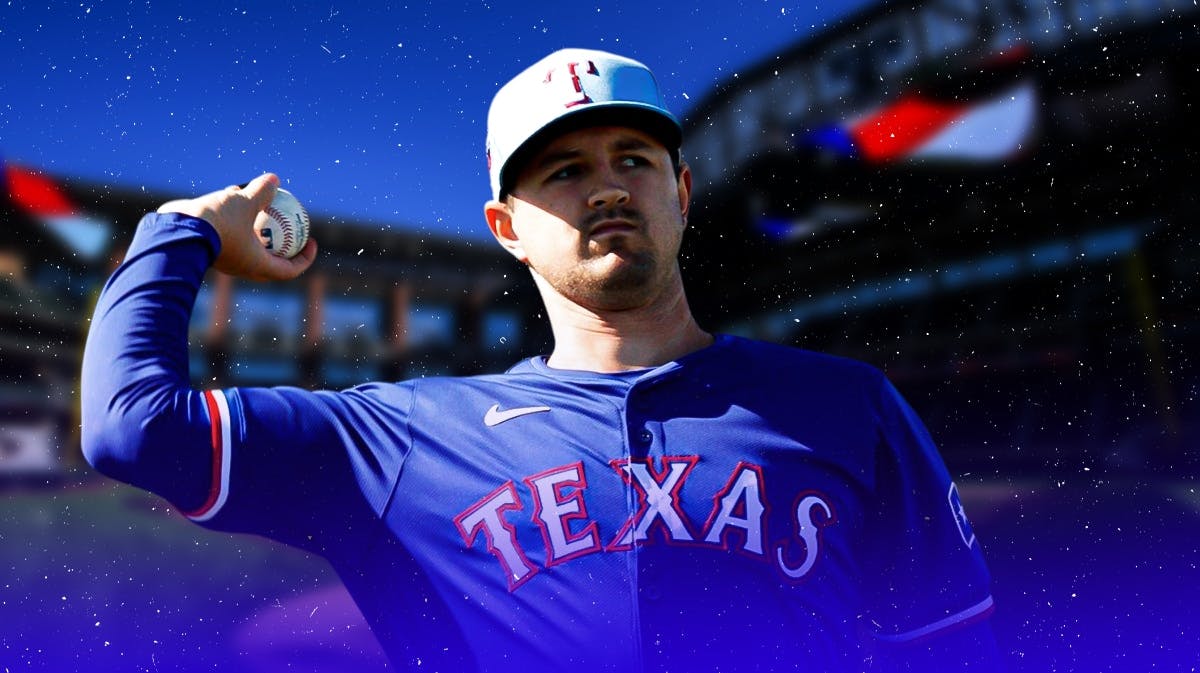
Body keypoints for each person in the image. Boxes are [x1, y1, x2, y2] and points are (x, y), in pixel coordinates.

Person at [81, 48, 1002, 672]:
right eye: (562, 171)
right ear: (506, 228)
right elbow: (132, 427)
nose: (606, 184)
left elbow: (953, 649)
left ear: (681, 193)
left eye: (633, 158)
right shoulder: (403, 437)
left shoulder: (848, 405)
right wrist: (182, 233)